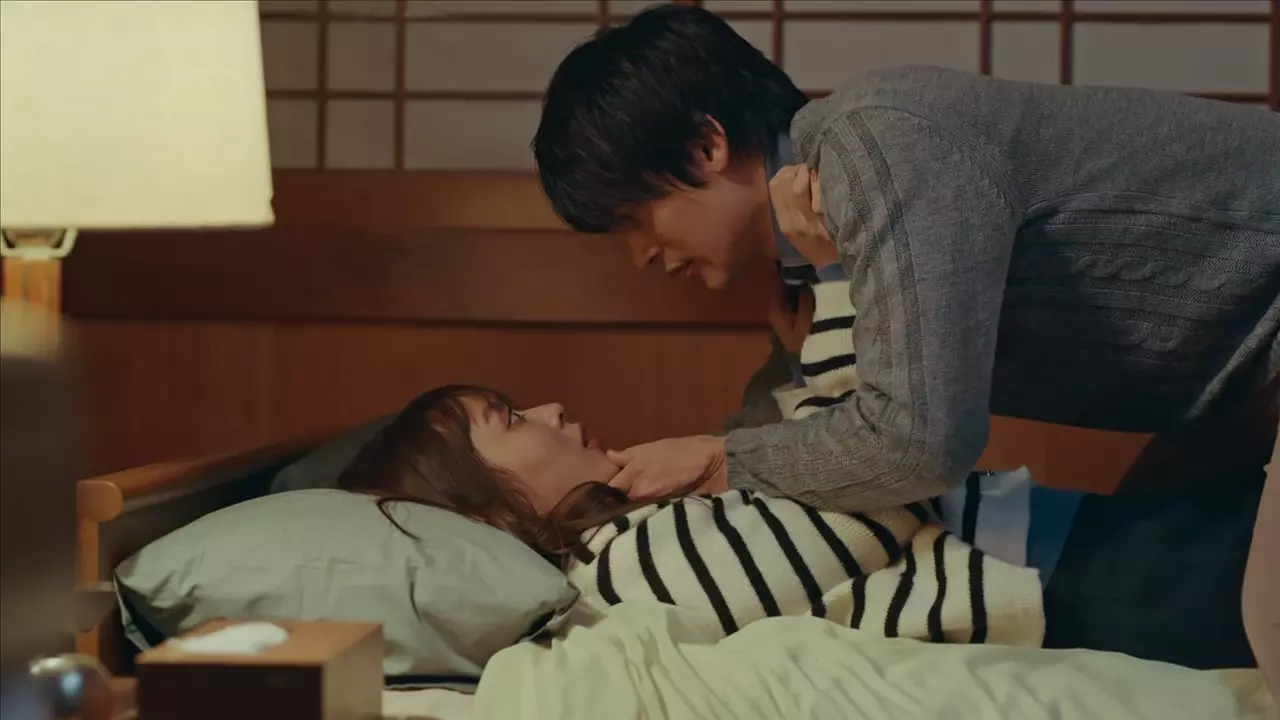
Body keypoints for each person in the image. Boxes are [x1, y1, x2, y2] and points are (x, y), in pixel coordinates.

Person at [531, 4, 1280, 688]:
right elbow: (793, 452)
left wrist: (720, 459)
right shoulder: (806, 256)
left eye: (635, 218)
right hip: (1236, 392)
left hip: (1259, 344)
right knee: (1176, 554)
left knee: (1248, 612)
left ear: (707, 145)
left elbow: (916, 446)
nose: (641, 256)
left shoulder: (876, 146)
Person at [334, 381, 1261, 669]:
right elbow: (863, 504)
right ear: (486, 506)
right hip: (1081, 589)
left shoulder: (631, 533)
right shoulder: (618, 576)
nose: (550, 410)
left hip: (1067, 551)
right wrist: (725, 459)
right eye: (508, 419)